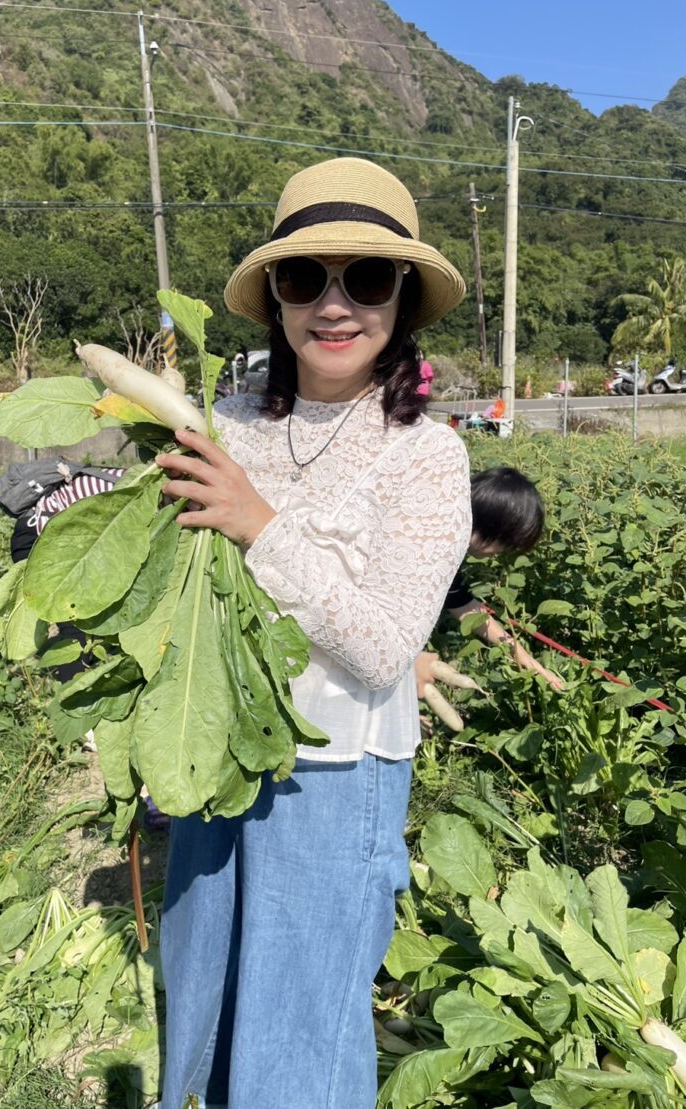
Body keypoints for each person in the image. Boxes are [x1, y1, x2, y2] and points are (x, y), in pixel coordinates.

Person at [152, 157, 472, 1109]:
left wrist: (260, 524)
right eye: (306, 279)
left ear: (403, 301)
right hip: (212, 756)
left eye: (366, 280)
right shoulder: (230, 424)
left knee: (299, 1031)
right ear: (276, 302)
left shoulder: (429, 456)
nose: (335, 306)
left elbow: (380, 648)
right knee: (202, 996)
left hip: (331, 778)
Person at [415, 466, 565, 696]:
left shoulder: (446, 543)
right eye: (507, 542)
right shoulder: (422, 546)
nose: (505, 551)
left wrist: (525, 658)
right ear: (494, 524)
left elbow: (462, 604)